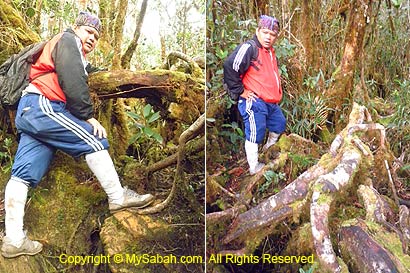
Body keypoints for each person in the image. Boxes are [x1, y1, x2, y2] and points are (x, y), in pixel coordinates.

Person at [1, 11, 155, 258]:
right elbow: (72, 81)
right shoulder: (67, 40)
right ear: (76, 28)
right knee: (94, 139)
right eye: (88, 31)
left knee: (23, 174)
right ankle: (118, 197)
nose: (92, 38)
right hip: (44, 105)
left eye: (96, 35)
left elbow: (85, 70)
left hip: (30, 111)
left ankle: (14, 239)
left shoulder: (76, 55)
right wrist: (87, 115)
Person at [223, 15, 286, 175]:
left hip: (271, 103)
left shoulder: (270, 52)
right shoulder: (249, 48)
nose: (268, 37)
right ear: (257, 31)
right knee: (256, 131)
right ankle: (253, 167)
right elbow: (230, 66)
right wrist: (240, 91)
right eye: (265, 32)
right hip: (254, 100)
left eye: (272, 35)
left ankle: (268, 149)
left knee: (279, 123)